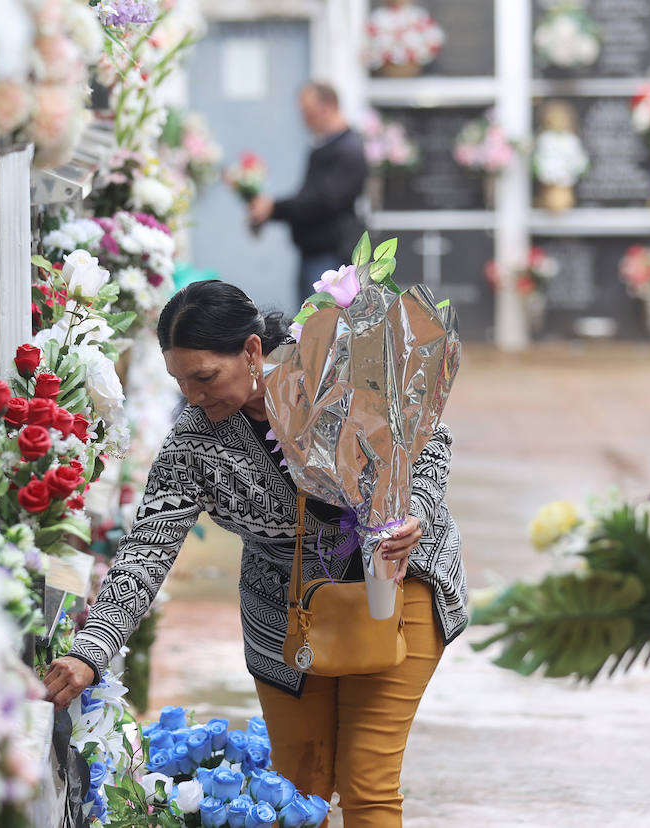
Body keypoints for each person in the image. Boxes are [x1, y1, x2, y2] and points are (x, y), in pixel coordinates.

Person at [43, 280, 467, 828]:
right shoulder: (193, 441)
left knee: (367, 781)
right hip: (284, 615)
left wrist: (416, 512)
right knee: (296, 788)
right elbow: (148, 547)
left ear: (250, 350)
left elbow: (429, 438)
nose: (194, 396)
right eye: (181, 382)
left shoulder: (340, 379)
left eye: (205, 377)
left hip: (396, 588)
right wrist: (92, 648)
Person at [248, 82, 368, 311]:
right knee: (311, 327)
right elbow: (309, 198)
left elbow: (324, 201)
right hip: (315, 253)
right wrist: (272, 210)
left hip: (331, 256)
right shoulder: (325, 148)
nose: (304, 120)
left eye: (308, 113)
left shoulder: (348, 149)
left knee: (322, 329)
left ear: (328, 106)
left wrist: (274, 208)